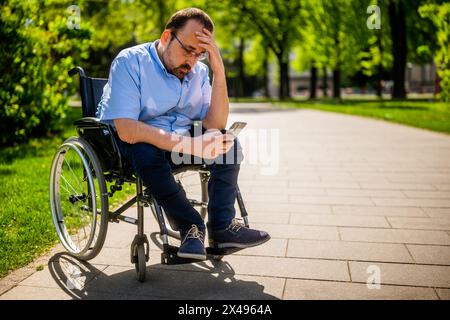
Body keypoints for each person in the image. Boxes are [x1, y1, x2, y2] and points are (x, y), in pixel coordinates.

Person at [97, 7, 270, 260]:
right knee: (145, 152)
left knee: (226, 143)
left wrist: (218, 70)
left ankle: (222, 229)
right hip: (132, 143)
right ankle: (191, 227)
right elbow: (127, 129)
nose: (191, 61)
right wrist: (192, 146)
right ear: (167, 37)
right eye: (188, 50)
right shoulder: (130, 61)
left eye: (200, 54)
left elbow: (214, 124)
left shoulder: (198, 71)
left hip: (178, 141)